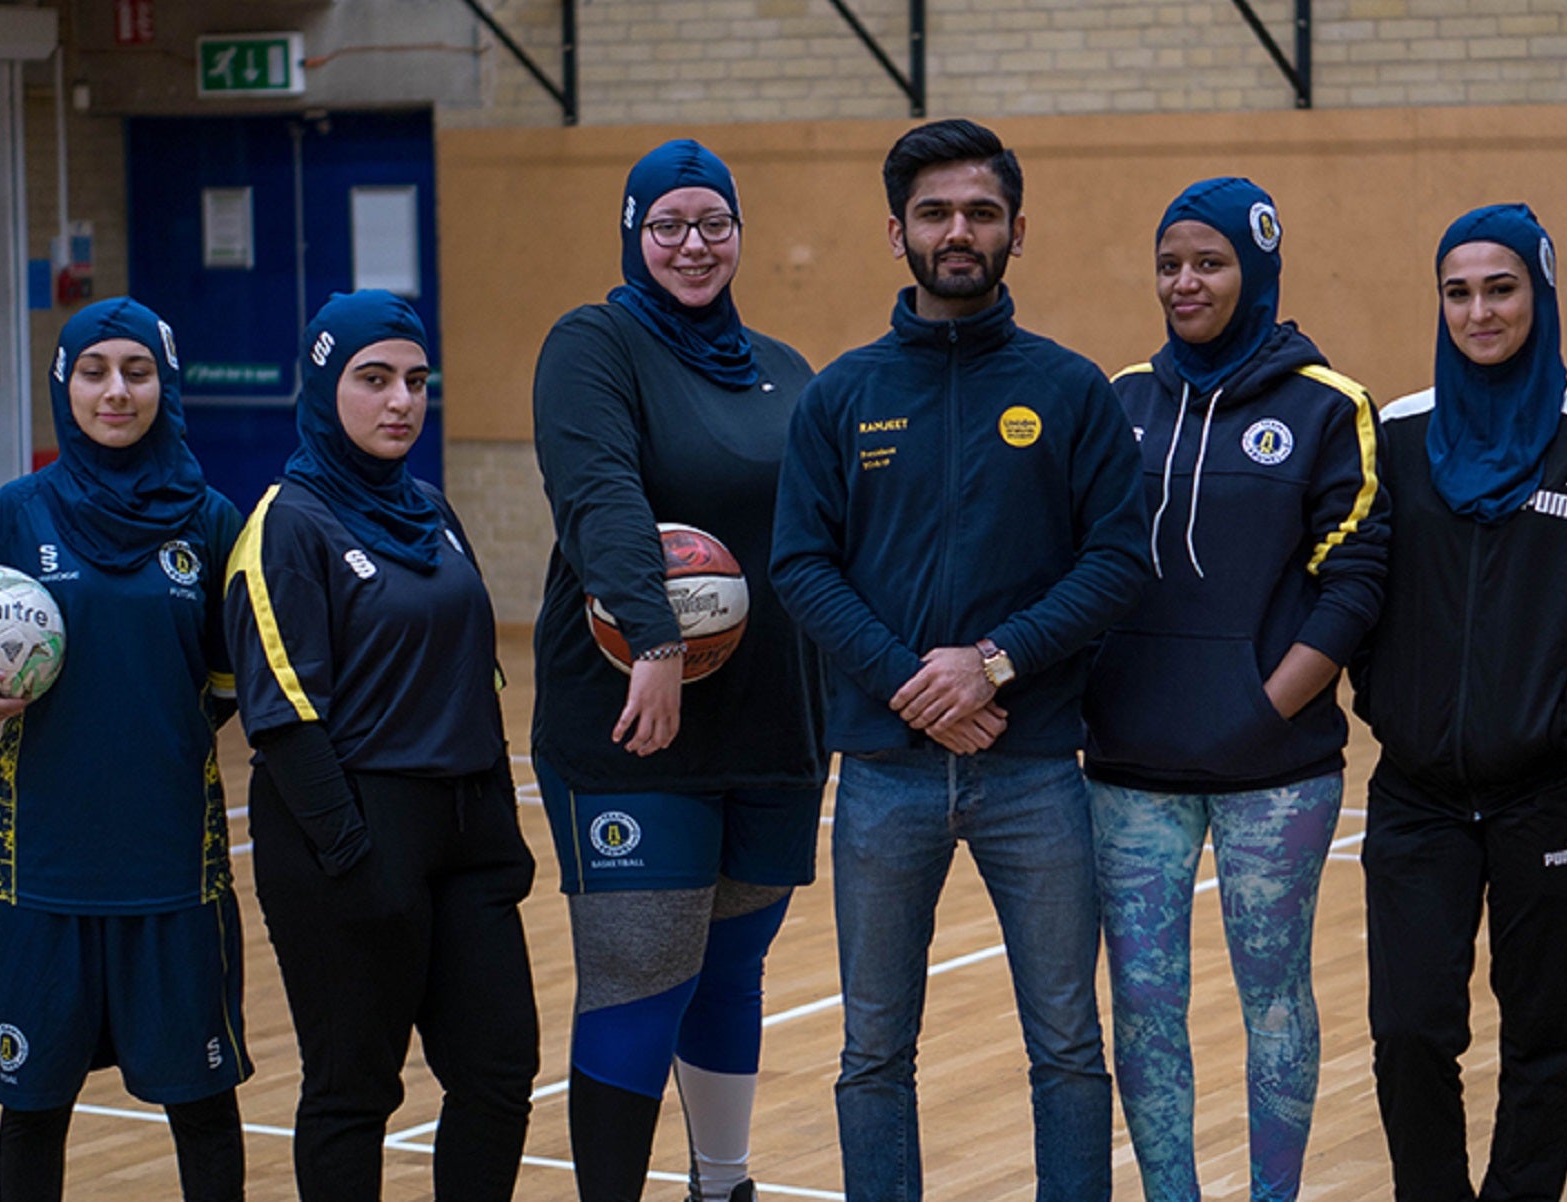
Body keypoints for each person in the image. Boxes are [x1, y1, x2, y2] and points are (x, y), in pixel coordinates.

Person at [770, 118, 1149, 1202]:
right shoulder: (839, 396)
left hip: (1033, 767)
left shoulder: (1070, 389)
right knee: (873, 1050)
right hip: (884, 773)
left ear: (1015, 231)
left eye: (980, 212)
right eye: (934, 213)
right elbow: (800, 564)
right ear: (896, 232)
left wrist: (992, 660)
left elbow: (1118, 562)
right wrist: (913, 683)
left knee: (1069, 1044)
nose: (957, 231)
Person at [529, 138, 824, 1202]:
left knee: (730, 969)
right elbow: (598, 494)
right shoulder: (592, 345)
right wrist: (655, 641)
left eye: (713, 223)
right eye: (668, 225)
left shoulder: (787, 370)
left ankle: (724, 1184)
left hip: (772, 726)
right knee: (640, 973)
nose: (692, 245)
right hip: (634, 724)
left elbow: (827, 531)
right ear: (632, 232)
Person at [1083, 177, 1387, 1202]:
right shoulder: (1117, 398)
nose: (1183, 282)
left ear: (1255, 271)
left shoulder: (1327, 405)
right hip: (1129, 774)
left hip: (1275, 772)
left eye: (1207, 262)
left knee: (1273, 998)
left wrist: (1259, 711)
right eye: (1169, 262)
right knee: (1143, 1004)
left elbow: (1352, 587)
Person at [1352, 204, 1567, 1201]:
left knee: (1542, 1038)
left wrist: (1555, 712)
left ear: (1540, 289)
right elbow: (1352, 587)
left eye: (1500, 286)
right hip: (1416, 795)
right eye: (1456, 290)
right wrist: (1387, 698)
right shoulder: (1394, 437)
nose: (1477, 310)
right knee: (1406, 1031)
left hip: (1552, 791)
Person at [225, 290, 538, 1202]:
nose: (401, 401)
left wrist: (494, 824)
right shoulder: (287, 525)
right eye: (374, 380)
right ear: (326, 389)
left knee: (497, 1071)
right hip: (349, 835)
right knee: (354, 1091)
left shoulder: (432, 508)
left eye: (415, 380)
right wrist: (354, 852)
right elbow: (280, 714)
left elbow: (475, 669)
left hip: (467, 836)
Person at [0, 297, 248, 1202]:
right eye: (96, 371)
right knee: (32, 1108)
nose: (117, 391)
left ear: (166, 382)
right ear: (63, 383)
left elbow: (230, 684)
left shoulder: (211, 521)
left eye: (138, 371)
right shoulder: (10, 519)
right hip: (41, 871)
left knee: (204, 1102)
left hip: (173, 868)